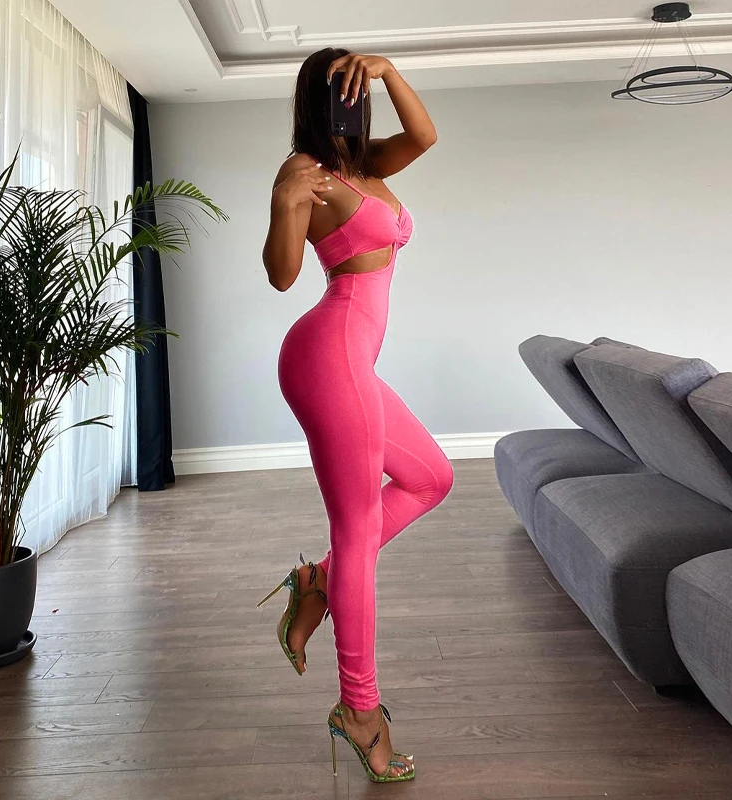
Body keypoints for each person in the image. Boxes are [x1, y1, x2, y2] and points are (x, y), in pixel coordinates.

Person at [259, 48, 453, 783]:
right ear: (318, 100)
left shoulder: (367, 164)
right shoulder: (306, 174)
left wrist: (390, 71)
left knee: (431, 477)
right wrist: (285, 202)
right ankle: (360, 709)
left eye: (358, 90)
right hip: (327, 353)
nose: (354, 102)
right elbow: (282, 276)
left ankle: (318, 582)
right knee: (358, 528)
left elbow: (425, 136)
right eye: (341, 91)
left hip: (351, 361)